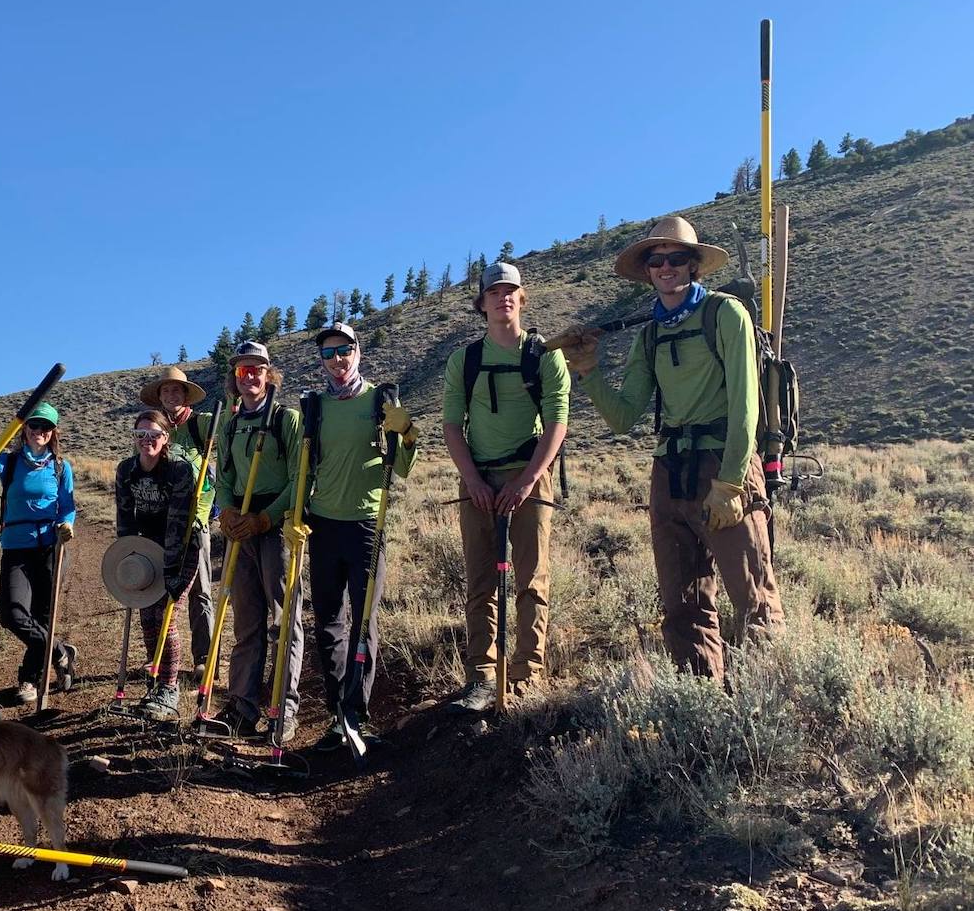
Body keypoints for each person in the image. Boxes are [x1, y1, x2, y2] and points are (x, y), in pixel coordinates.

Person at [562, 216, 783, 681]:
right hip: (669, 473)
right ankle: (699, 700)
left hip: (723, 464)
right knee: (682, 605)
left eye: (676, 258)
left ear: (693, 265)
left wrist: (730, 483)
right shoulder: (650, 335)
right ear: (647, 271)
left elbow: (746, 404)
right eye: (656, 260)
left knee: (753, 599)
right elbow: (623, 417)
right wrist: (588, 372)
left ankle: (771, 705)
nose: (666, 267)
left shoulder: (725, 314)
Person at [442, 262, 570, 711]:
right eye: (494, 292)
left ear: (522, 297)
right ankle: (481, 676)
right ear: (481, 303)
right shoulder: (464, 360)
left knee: (531, 580)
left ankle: (526, 674)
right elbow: (452, 426)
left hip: (531, 476)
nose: (504, 297)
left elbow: (557, 422)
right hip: (477, 480)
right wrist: (473, 480)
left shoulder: (545, 355)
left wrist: (527, 479)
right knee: (481, 581)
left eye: (511, 290)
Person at [293, 323, 418, 752]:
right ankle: (337, 716)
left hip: (367, 525)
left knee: (364, 623)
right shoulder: (316, 407)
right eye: (328, 354)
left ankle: (356, 714)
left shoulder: (380, 401)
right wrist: (296, 514)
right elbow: (305, 467)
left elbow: (403, 467)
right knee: (329, 623)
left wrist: (407, 432)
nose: (337, 360)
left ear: (358, 352)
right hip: (324, 525)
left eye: (344, 350)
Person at [214, 342, 305, 741]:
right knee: (247, 621)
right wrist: (228, 512)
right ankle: (242, 706)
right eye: (242, 370)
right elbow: (224, 477)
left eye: (257, 369)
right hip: (241, 528)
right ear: (234, 378)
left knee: (284, 621)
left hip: (277, 526)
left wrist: (266, 518)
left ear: (269, 374)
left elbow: (299, 477)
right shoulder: (231, 424)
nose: (249, 376)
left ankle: (283, 709)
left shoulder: (287, 420)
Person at [0, 395, 77, 703]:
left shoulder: (60, 467)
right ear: (24, 429)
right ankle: (60, 651)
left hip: (50, 548)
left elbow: (67, 505)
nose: (39, 431)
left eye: (46, 427)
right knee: (12, 614)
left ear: (53, 432)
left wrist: (67, 524)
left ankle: (29, 679)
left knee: (42, 616)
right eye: (34, 425)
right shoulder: (11, 462)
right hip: (16, 548)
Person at [114, 409, 200, 720]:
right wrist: (127, 557)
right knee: (147, 618)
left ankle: (169, 687)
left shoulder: (178, 470)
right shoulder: (126, 470)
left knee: (166, 618)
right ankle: (154, 680)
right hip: (146, 551)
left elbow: (178, 521)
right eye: (141, 435)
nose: (146, 440)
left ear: (166, 438)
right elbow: (125, 517)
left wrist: (172, 567)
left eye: (154, 435)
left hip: (181, 549)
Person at [139, 365, 216, 679]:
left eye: (176, 390)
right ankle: (156, 656)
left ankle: (204, 659)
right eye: (166, 391)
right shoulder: (154, 428)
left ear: (186, 395)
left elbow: (230, 429)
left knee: (200, 590)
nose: (171, 395)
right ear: (160, 397)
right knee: (155, 590)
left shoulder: (201, 424)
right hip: (161, 525)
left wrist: (202, 516)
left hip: (195, 521)